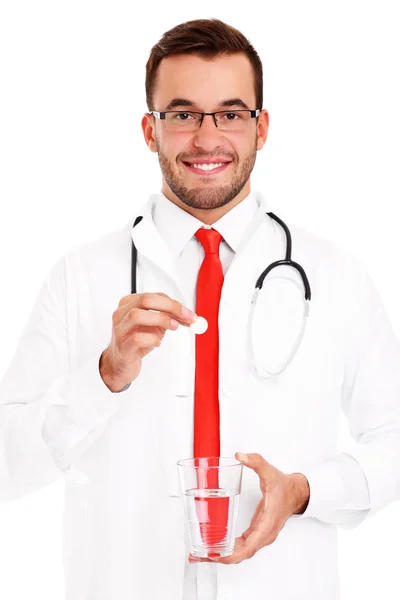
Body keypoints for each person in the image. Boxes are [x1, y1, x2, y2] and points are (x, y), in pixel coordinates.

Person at [1, 17, 399, 600]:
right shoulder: (80, 275)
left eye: (232, 114)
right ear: (149, 129)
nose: (207, 139)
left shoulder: (337, 276)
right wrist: (104, 376)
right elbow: (8, 464)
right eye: (182, 114)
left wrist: (306, 490)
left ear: (261, 129)